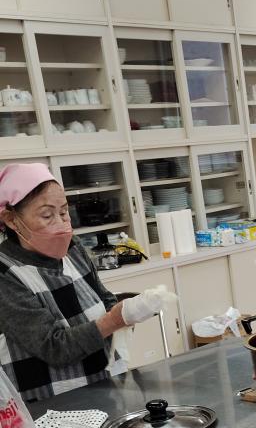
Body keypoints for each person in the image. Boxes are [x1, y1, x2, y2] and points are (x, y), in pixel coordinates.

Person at [0, 163, 164, 402]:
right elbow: (53, 347)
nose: (61, 223)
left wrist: (130, 309)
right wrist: (114, 320)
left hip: (104, 383)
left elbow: (102, 298)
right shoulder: (6, 274)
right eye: (47, 215)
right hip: (49, 402)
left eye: (64, 212)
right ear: (12, 220)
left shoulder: (72, 248)